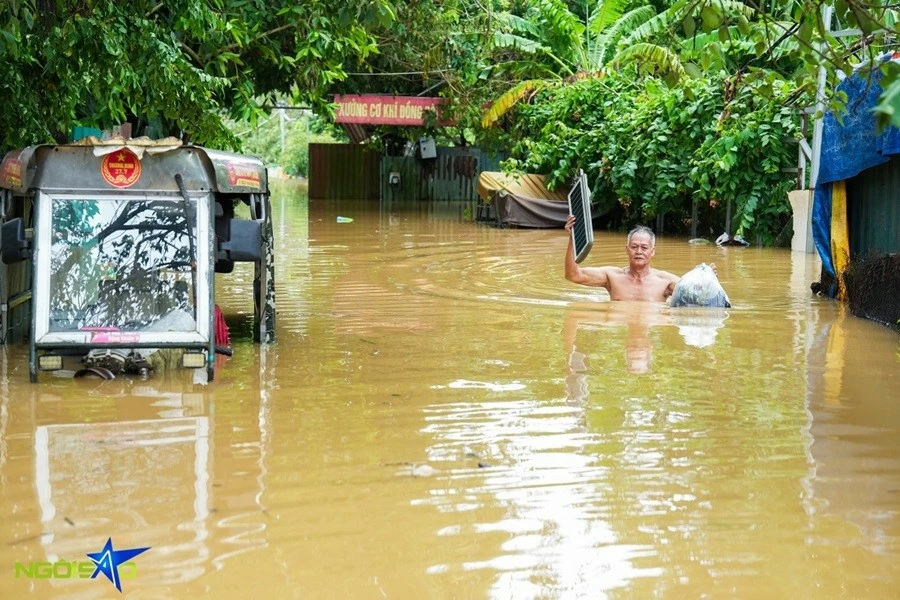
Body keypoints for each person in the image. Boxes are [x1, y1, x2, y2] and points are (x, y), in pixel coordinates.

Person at [564, 217, 680, 302]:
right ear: (627, 249)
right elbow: (573, 275)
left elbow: (693, 293)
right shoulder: (612, 277)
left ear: (652, 251)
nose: (639, 251)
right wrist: (573, 239)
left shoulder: (665, 281)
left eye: (644, 248)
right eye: (634, 247)